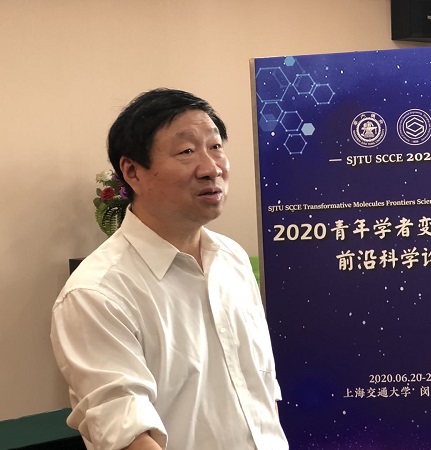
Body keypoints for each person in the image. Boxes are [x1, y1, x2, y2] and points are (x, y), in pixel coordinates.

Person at [50, 88, 288, 450]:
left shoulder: (232, 259)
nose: (211, 168)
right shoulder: (97, 292)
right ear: (132, 172)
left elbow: (260, 393)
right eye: (187, 151)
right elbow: (127, 433)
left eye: (216, 146)